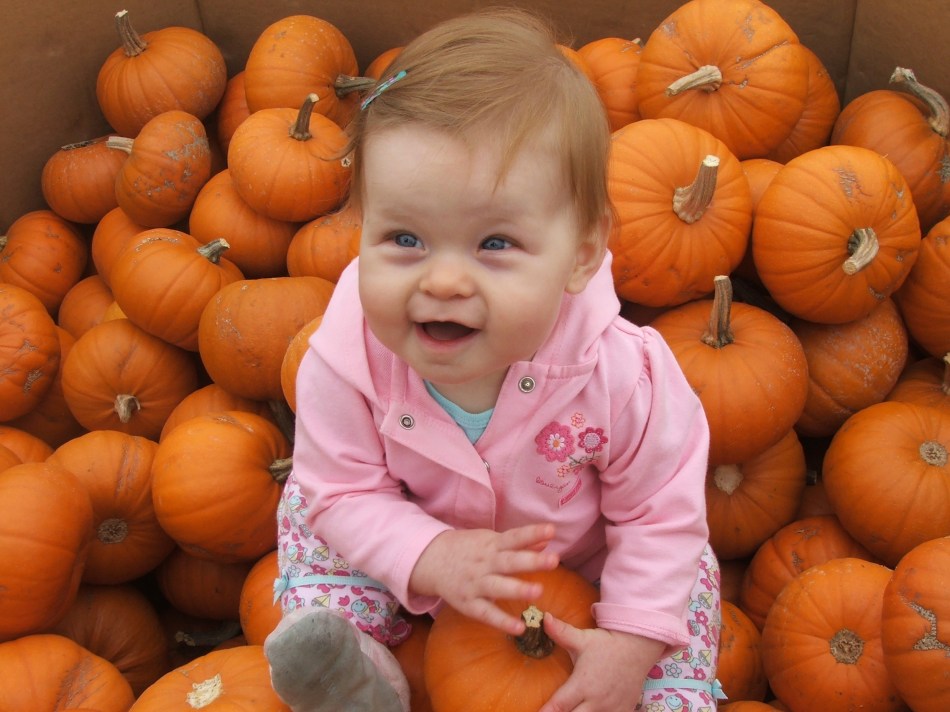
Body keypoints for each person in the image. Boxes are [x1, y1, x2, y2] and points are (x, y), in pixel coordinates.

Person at [264, 8, 723, 712]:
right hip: (409, 532)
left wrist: (631, 641)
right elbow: (345, 490)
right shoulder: (345, 355)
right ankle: (357, 672)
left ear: (580, 255)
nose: (443, 281)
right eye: (405, 238)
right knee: (309, 510)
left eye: (496, 245)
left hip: (581, 565)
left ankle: (643, 687)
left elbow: (659, 514)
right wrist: (430, 555)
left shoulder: (623, 374)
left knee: (682, 584)